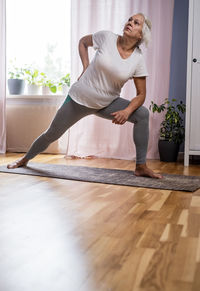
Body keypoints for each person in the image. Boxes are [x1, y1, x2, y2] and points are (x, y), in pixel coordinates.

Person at [7, 13, 162, 179]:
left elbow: (141, 94)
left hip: (106, 104)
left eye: (136, 22)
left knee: (142, 114)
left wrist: (127, 110)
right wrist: (85, 66)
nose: (130, 22)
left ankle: (141, 166)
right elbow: (83, 42)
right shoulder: (107, 37)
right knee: (52, 134)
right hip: (78, 99)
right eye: (130, 19)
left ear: (141, 35)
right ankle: (25, 159)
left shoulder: (137, 60)